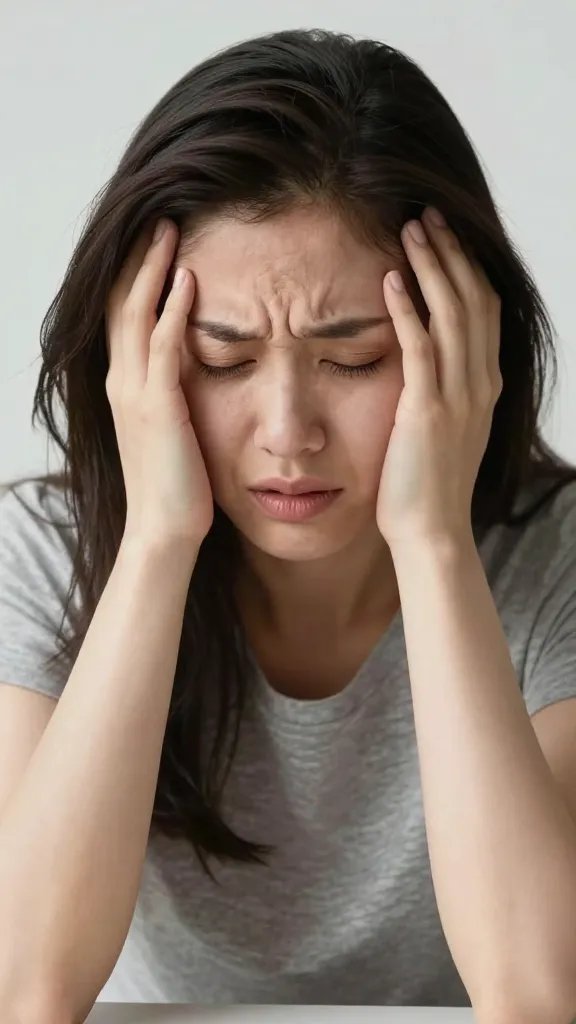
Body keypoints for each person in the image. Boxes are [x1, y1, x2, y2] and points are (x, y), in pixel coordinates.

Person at [1, 26, 576, 1020]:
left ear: (468, 347)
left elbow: (539, 990)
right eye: (223, 360)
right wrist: (154, 544)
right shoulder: (47, 553)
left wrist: (435, 543)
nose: (286, 434)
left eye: (353, 359)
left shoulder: (553, 557)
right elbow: (26, 985)